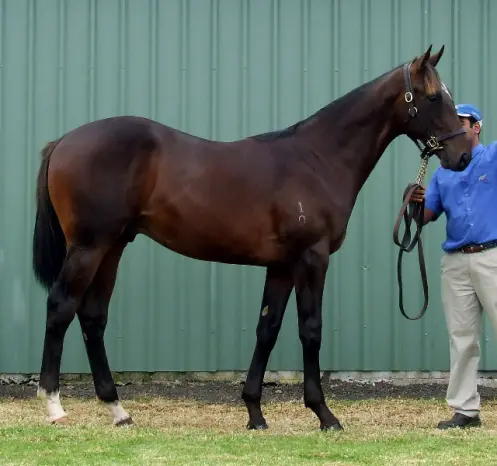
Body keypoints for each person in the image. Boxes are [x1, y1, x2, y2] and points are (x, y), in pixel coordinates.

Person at [412, 103, 497, 429]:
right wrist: (414, 204)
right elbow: (427, 216)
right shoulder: (442, 172)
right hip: (456, 262)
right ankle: (465, 410)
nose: (457, 127)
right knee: (462, 338)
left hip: (492, 255)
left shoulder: (492, 157)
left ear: (477, 127)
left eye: (462, 122)